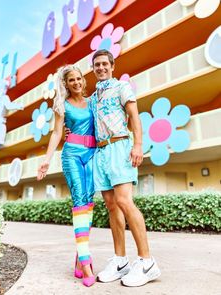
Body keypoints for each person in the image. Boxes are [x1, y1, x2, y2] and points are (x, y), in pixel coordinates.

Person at [90, 49, 161, 287]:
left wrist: (138, 145)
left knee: (124, 201)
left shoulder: (122, 87)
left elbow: (135, 116)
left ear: (112, 66)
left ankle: (147, 262)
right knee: (111, 205)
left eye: (104, 64)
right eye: (96, 65)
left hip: (120, 146)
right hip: (100, 152)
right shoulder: (93, 97)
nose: (100, 67)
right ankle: (121, 261)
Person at [37, 65, 96, 287]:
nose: (77, 83)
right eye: (71, 80)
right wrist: (46, 159)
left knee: (89, 204)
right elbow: (56, 133)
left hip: (92, 155)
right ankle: (86, 261)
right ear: (66, 83)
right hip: (72, 154)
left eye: (79, 78)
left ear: (83, 79)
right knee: (80, 201)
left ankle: (80, 256)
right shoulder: (62, 106)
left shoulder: (93, 102)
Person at [0, 79, 23, 198]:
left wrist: (19, 105)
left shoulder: (5, 98)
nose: (2, 89)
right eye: (1, 87)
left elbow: (9, 106)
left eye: (4, 87)